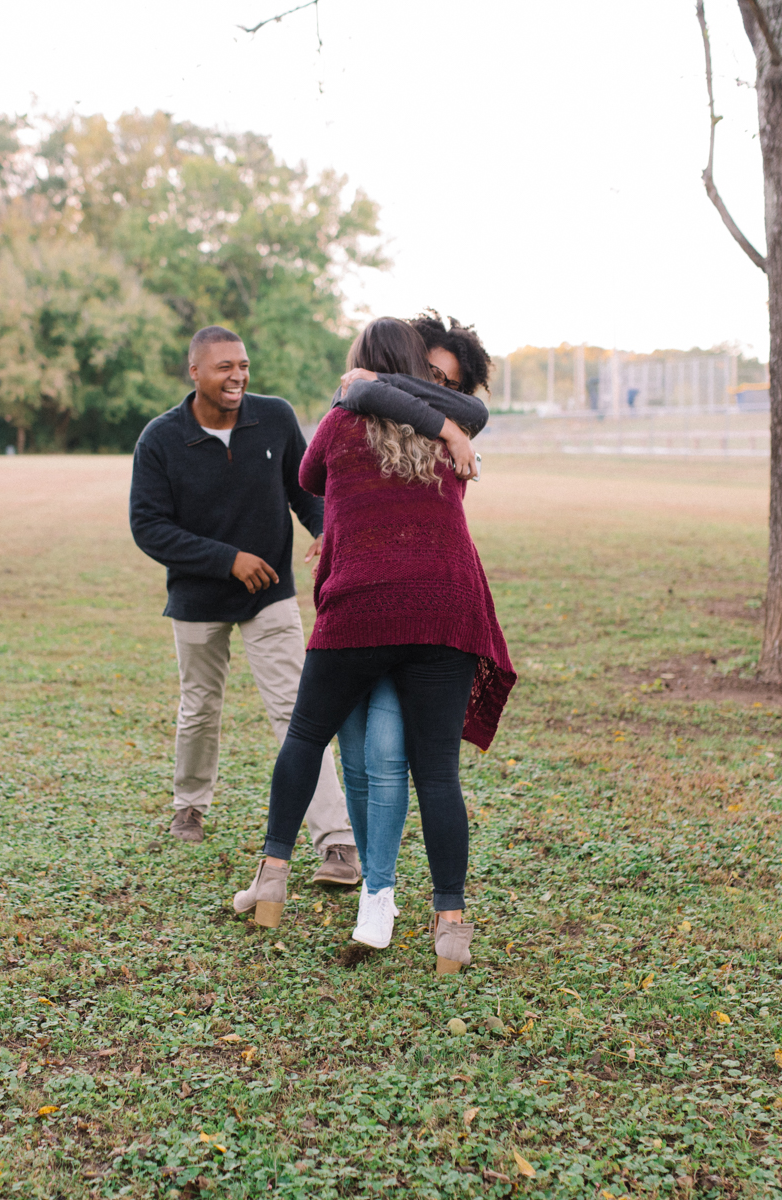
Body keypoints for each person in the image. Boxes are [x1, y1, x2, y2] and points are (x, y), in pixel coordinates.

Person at [227, 318, 515, 974]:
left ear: (362, 369)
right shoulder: (451, 442)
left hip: (360, 607)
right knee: (437, 772)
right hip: (445, 609)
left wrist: (353, 395)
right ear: (417, 370)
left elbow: (308, 476)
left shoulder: (338, 424)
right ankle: (450, 925)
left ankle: (271, 878)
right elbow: (455, 415)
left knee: (304, 738)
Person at [128, 325, 360, 884]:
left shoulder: (274, 417)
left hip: (270, 595)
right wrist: (227, 559)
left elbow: (306, 487)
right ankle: (190, 805)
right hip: (198, 597)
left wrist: (325, 527)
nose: (237, 376)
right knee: (200, 708)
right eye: (224, 367)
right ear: (195, 372)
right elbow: (148, 526)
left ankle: (338, 844)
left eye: (243, 366)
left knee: (297, 712)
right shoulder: (160, 439)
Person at [327, 313, 493, 950]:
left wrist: (446, 422)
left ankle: (383, 893)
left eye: (445, 383)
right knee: (356, 753)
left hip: (422, 611)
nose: (430, 388)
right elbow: (325, 471)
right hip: (356, 598)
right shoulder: (360, 410)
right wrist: (331, 533)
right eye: (425, 373)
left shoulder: (447, 435)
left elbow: (373, 389)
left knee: (389, 753)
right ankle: (377, 888)